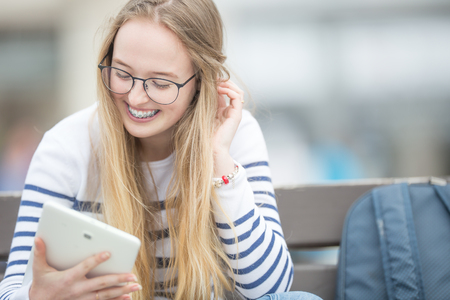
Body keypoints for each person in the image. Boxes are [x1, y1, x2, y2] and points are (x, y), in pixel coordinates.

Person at [0, 1, 322, 299]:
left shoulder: (234, 135)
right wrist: (36, 295)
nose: (136, 98)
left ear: (202, 81)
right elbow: (12, 289)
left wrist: (218, 161)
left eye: (161, 83)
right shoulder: (67, 147)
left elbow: (271, 288)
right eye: (123, 73)